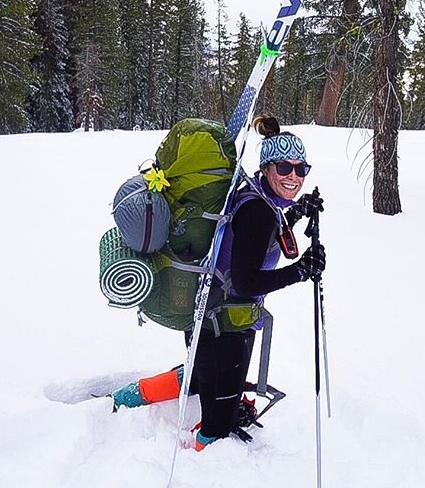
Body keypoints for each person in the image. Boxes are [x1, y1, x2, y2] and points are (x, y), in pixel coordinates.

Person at [111, 115, 326, 450]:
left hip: (205, 311)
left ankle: (131, 396)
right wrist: (300, 271)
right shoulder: (259, 211)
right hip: (226, 323)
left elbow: (257, 240)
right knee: (218, 429)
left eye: (301, 169)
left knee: (200, 375)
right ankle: (200, 471)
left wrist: (296, 213)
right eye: (284, 168)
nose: (294, 177)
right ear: (267, 167)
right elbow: (246, 281)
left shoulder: (254, 196)